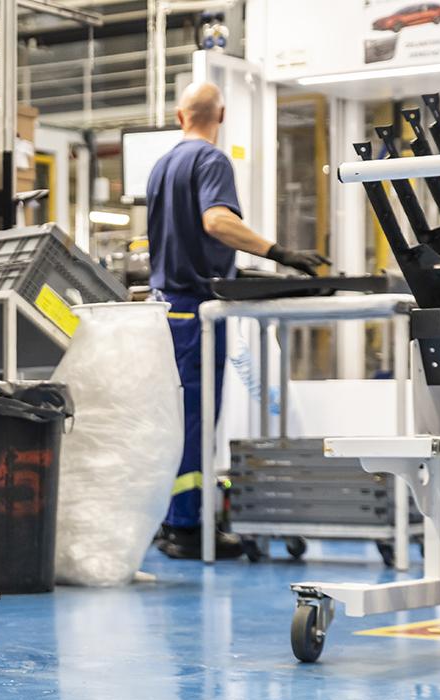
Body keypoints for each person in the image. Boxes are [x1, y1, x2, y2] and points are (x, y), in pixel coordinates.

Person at [146, 81, 329, 560]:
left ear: (179, 116)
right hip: (197, 314)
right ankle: (186, 529)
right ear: (221, 116)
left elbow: (183, 242)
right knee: (195, 421)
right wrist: (279, 252)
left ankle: (171, 519)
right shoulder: (211, 160)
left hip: (167, 309)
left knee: (175, 420)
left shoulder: (162, 165)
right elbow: (216, 222)